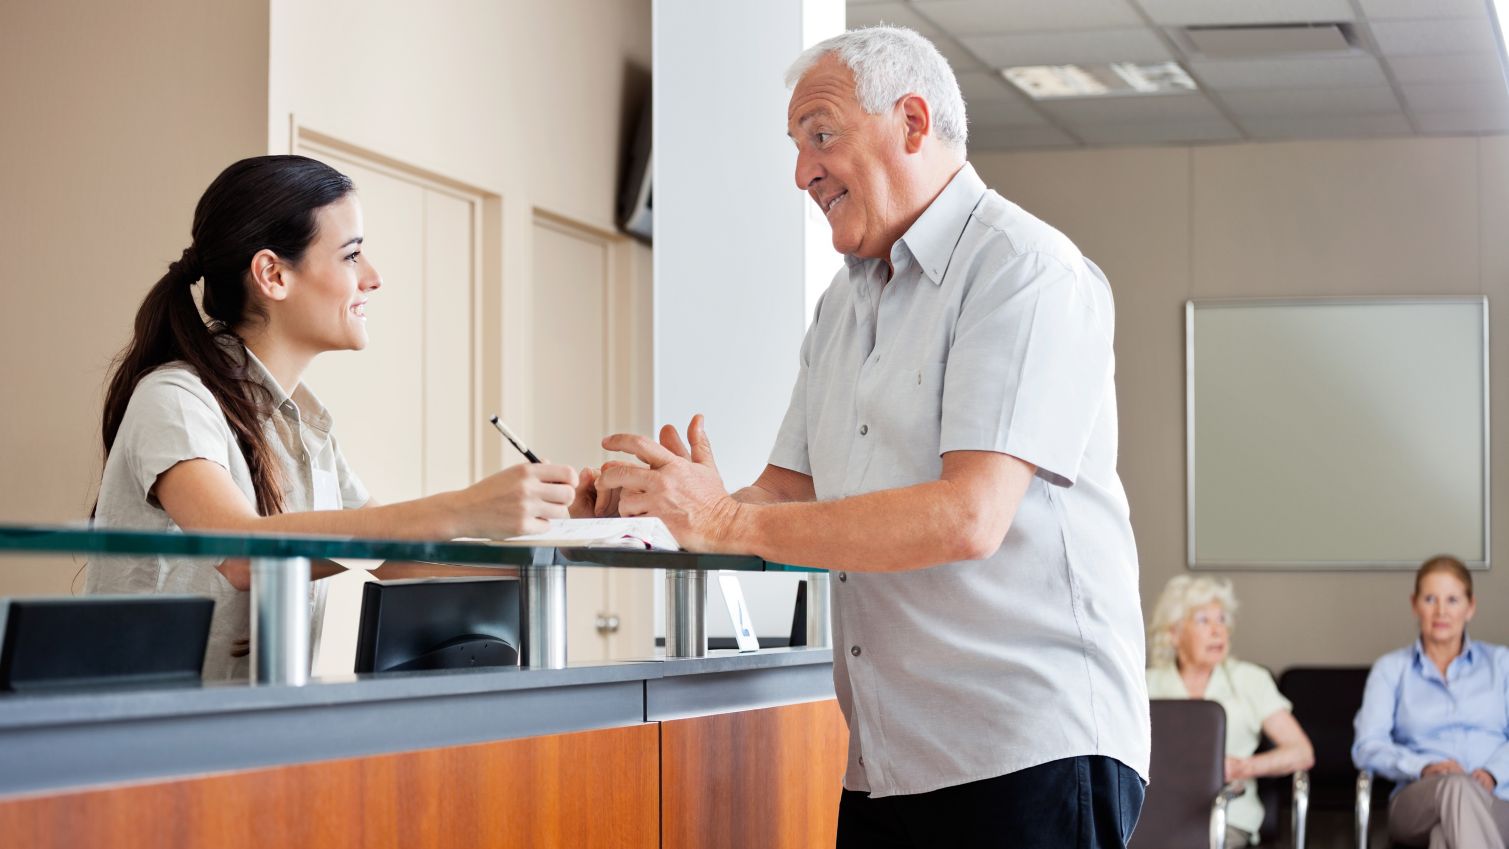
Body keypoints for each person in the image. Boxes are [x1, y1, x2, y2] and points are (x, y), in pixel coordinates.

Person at [589, 26, 1149, 848]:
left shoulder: (1023, 271)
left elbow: (969, 517)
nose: (800, 172)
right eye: (794, 146)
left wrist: (725, 521)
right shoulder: (843, 304)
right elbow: (784, 492)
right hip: (891, 759)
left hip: (1028, 748)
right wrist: (658, 507)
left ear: (913, 125)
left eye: (821, 136)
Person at [86, 155, 589, 681]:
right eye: (352, 255)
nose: (373, 278)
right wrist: (461, 509)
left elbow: (395, 560)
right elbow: (242, 555)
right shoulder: (173, 398)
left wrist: (570, 530)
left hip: (247, 730)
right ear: (273, 274)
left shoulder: (307, 427)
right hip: (144, 739)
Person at [1145, 576, 1315, 847]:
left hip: (1226, 816)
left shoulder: (1250, 680)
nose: (1218, 631)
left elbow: (1301, 752)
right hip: (1153, 816)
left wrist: (1242, 767)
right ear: (1174, 634)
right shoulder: (1145, 684)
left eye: (1222, 620)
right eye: (1203, 620)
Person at [1353, 555, 1509, 849]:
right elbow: (1367, 747)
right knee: (1456, 788)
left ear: (1470, 606)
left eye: (1452, 600)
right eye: (1430, 599)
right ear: (1414, 604)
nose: (1441, 611)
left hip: (1499, 801)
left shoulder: (1502, 664)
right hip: (1417, 801)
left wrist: (1492, 773)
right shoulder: (1391, 669)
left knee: (1443, 836)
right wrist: (1422, 767)